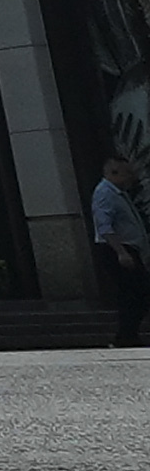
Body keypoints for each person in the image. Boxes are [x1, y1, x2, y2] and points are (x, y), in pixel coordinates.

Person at [96, 143, 147, 350]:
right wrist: (121, 252)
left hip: (128, 249)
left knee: (135, 293)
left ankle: (128, 335)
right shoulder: (105, 194)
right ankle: (125, 335)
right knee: (136, 291)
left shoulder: (118, 193)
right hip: (118, 250)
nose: (130, 179)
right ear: (113, 173)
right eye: (126, 174)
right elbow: (104, 225)